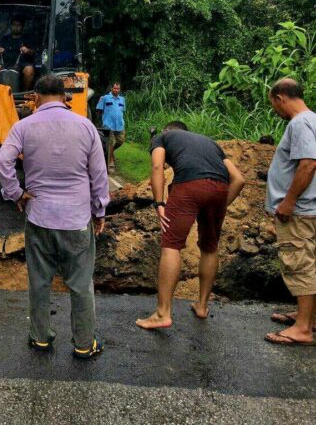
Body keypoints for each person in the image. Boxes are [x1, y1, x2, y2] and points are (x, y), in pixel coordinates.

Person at [0, 75, 109, 359]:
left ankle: (40, 338)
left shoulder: (23, 126)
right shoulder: (86, 127)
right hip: (77, 218)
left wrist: (16, 193)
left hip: (39, 217)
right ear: (65, 97)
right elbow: (99, 175)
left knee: (40, 281)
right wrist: (99, 211)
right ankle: (84, 344)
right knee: (81, 284)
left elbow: (1, 160)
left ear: (35, 97)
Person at [136, 121, 245, 330]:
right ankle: (202, 306)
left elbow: (157, 166)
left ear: (167, 131)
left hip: (189, 186)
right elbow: (239, 179)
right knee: (210, 247)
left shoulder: (163, 137)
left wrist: (159, 202)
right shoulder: (210, 143)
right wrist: (221, 205)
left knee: (171, 245)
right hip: (220, 187)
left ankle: (162, 314)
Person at [263, 78, 315, 346]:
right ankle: (308, 317)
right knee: (310, 262)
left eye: (273, 104)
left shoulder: (300, 123)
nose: (275, 110)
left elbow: (308, 164)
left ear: (280, 97)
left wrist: (288, 201)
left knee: (299, 264)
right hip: (310, 208)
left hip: (300, 211)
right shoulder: (313, 120)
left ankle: (303, 328)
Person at [0, 16, 36, 91]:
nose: (16, 27)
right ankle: (1, 92)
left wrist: (27, 50)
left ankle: (24, 92)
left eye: (18, 25)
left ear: (22, 27)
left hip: (22, 64)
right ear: (11, 26)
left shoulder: (27, 38)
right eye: (14, 25)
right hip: (6, 64)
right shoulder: (4, 38)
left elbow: (33, 52)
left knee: (29, 70)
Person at [96, 82, 126, 168]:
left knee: (121, 141)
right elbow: (98, 110)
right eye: (115, 88)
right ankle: (111, 161)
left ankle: (110, 152)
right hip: (108, 125)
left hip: (120, 125)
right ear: (111, 89)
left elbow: (122, 111)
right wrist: (100, 102)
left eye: (118, 89)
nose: (116, 90)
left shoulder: (122, 99)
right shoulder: (105, 98)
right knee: (110, 143)